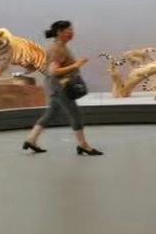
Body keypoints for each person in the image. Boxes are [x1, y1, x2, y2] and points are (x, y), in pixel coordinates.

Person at [22, 20, 103, 156]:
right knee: (75, 115)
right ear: (59, 32)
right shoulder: (57, 49)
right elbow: (53, 71)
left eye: (72, 30)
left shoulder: (60, 47)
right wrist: (76, 65)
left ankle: (31, 140)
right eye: (68, 30)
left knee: (51, 114)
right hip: (61, 87)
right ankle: (83, 145)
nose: (71, 33)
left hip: (56, 87)